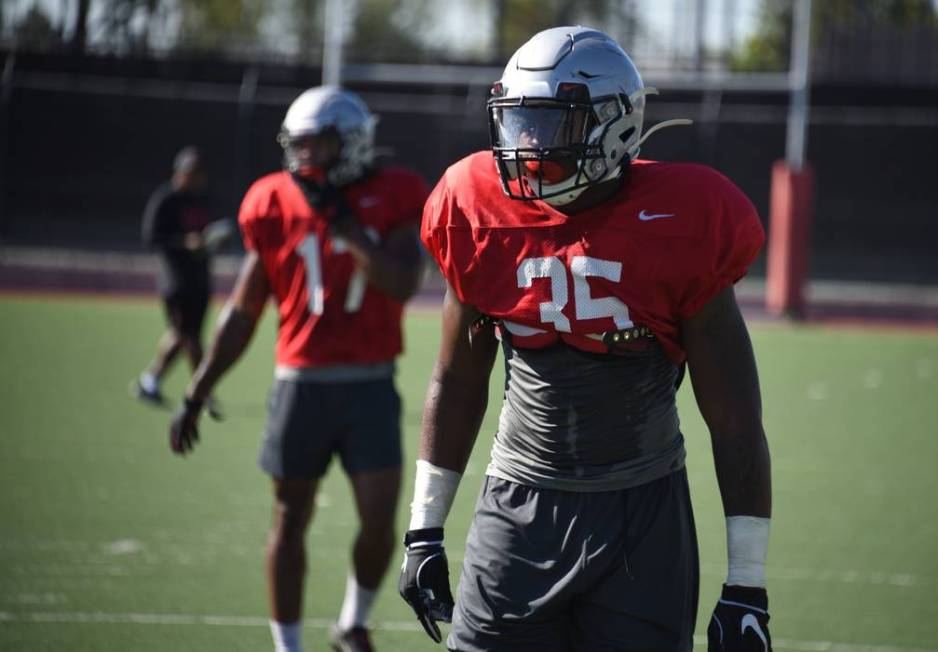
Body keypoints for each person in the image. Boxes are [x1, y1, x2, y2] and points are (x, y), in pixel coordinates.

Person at [398, 26, 773, 652]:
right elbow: (457, 379)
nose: (527, 147)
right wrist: (424, 530)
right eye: (518, 124)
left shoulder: (685, 221)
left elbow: (734, 419)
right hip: (517, 504)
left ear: (616, 126)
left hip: (641, 517)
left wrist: (747, 585)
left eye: (550, 126)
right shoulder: (477, 211)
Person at [167, 86, 428, 652]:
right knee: (289, 520)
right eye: (300, 146)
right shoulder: (272, 199)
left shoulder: (395, 193)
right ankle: (288, 648)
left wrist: (348, 230)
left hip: (370, 383)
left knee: (381, 519)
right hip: (299, 386)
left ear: (353, 144)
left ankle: (351, 622)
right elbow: (244, 309)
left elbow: (404, 283)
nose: (306, 159)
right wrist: (196, 389)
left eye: (321, 146)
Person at [133, 146, 228, 408]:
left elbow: (214, 233)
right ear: (180, 172)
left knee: (182, 335)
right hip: (176, 282)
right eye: (190, 173)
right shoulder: (166, 199)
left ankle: (150, 380)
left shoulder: (204, 199)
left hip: (200, 280)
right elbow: (151, 237)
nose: (195, 179)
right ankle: (203, 390)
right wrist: (185, 243)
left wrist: (215, 241)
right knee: (190, 338)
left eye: (198, 174)